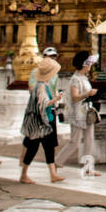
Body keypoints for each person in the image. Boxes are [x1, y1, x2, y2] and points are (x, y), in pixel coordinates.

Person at [20, 55, 64, 184]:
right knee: (33, 148)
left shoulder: (42, 85)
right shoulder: (41, 87)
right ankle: (24, 174)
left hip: (45, 120)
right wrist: (56, 99)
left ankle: (53, 174)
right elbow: (43, 104)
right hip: (40, 122)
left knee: (48, 147)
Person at [56, 51, 100, 174]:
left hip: (86, 112)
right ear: (84, 64)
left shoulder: (84, 78)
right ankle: (57, 161)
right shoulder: (75, 79)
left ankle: (88, 167)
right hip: (77, 113)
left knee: (89, 140)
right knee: (74, 142)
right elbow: (75, 97)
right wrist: (88, 94)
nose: (90, 66)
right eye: (89, 64)